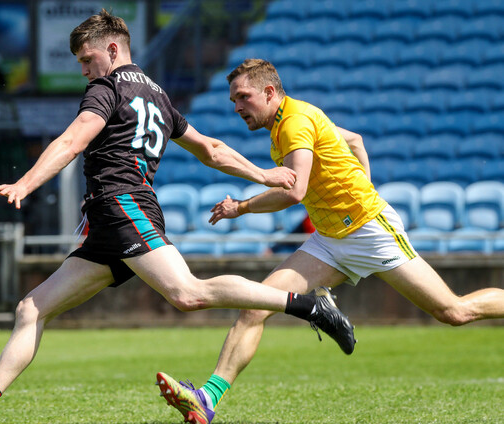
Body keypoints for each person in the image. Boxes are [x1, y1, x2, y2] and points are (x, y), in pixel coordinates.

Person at [0, 11, 355, 424]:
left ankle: (307, 306)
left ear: (112, 49)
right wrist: (262, 173)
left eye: (87, 60)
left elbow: (72, 141)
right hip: (108, 219)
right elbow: (210, 149)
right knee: (31, 309)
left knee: (188, 293)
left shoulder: (107, 88)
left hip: (123, 204)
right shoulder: (157, 94)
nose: (84, 71)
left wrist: (26, 182)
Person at [156, 59, 504, 424]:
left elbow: (295, 192)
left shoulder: (294, 122)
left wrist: (241, 207)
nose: (237, 107)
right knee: (255, 307)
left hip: (370, 232)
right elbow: (354, 140)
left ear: (270, 92)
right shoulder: (293, 120)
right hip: (329, 240)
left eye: (243, 97)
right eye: (233, 100)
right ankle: (206, 399)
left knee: (453, 312)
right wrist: (362, 181)